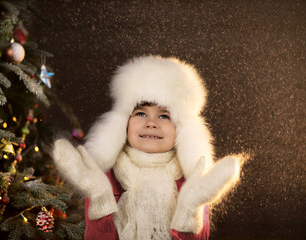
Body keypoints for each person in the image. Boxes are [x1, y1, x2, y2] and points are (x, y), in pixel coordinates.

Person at [53, 55, 244, 240]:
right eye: (141, 113)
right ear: (123, 124)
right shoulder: (104, 180)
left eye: (164, 116)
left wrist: (190, 209)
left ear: (182, 129)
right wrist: (100, 198)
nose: (151, 123)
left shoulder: (192, 184)